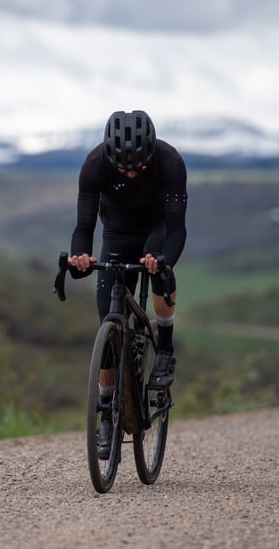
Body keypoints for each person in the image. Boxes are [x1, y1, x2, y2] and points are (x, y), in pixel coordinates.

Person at [67, 110, 188, 458]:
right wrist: (80, 257)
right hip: (117, 234)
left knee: (158, 268)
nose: (131, 172)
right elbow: (83, 229)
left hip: (156, 230)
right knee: (108, 327)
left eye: (138, 166)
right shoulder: (94, 165)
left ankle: (164, 347)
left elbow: (177, 228)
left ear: (151, 153)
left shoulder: (169, 162)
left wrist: (162, 259)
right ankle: (106, 418)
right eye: (123, 167)